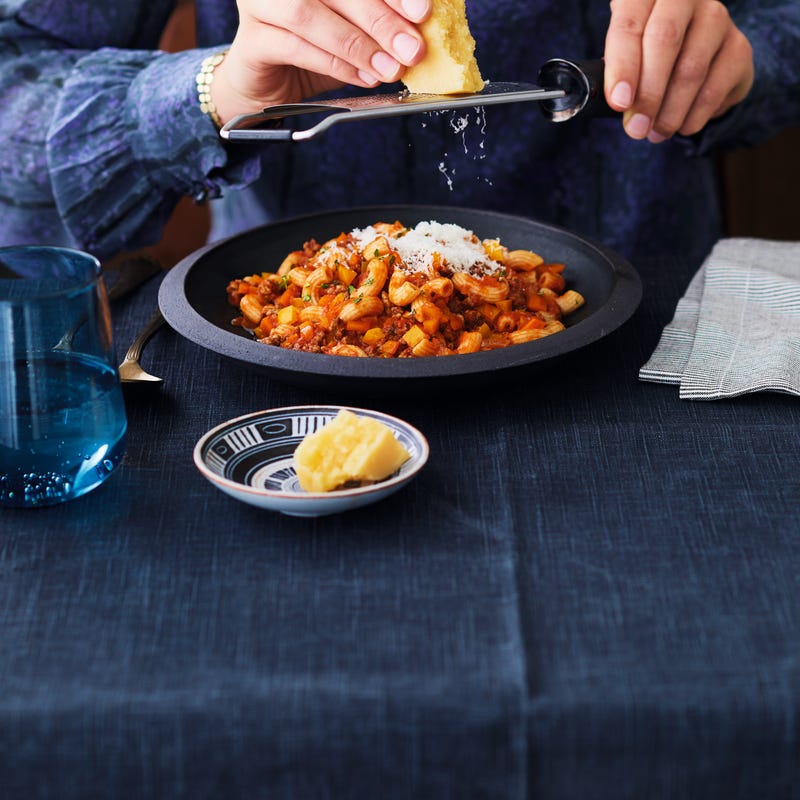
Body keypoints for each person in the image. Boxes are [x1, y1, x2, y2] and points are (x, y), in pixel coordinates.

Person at [0, 0, 798, 266]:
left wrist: (742, 59)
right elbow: (14, 88)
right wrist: (211, 92)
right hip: (289, 342)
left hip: (643, 332)